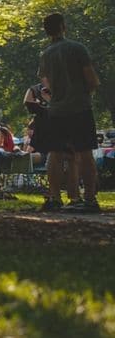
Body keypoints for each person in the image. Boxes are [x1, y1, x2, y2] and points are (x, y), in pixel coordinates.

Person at [37, 12, 101, 212]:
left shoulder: (45, 55)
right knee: (84, 152)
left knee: (54, 154)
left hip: (56, 110)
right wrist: (85, 93)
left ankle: (55, 198)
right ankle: (90, 199)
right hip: (80, 107)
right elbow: (92, 80)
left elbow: (45, 83)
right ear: (63, 26)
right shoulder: (77, 49)